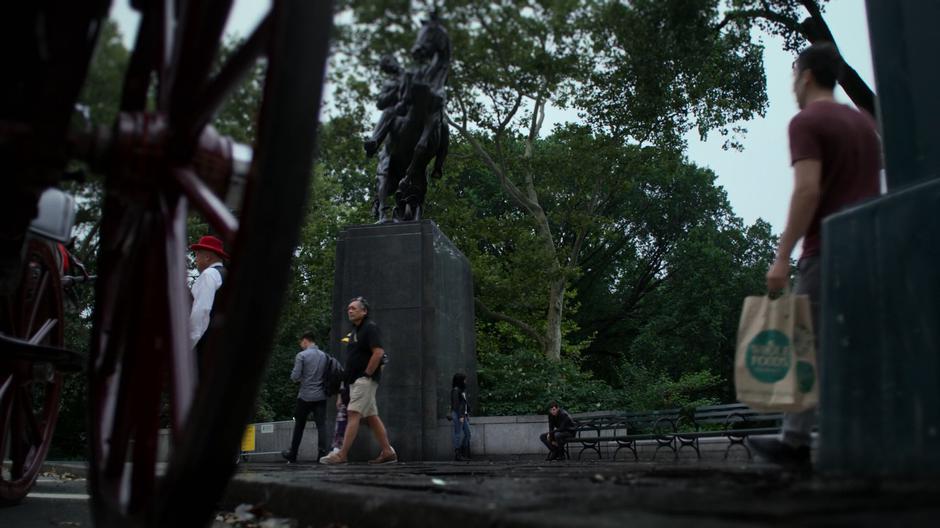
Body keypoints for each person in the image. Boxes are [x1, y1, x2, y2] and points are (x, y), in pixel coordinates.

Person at [750, 42, 881, 468]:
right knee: (858, 346)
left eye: (793, 75)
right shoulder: (865, 125)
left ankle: (794, 443)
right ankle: (867, 438)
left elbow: (807, 190)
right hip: (868, 249)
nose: (792, 84)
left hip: (826, 250)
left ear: (806, 76)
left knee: (805, 345)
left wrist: (782, 255)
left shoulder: (807, 121)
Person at [320, 296, 397, 465]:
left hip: (364, 381)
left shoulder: (370, 328)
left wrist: (367, 374)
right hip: (355, 381)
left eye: (354, 308)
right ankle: (387, 451)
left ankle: (342, 454)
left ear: (364, 311)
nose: (350, 310)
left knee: (353, 413)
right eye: (349, 308)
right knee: (372, 417)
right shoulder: (356, 331)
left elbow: (378, 352)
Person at [281, 332, 330, 463]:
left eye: (301, 343)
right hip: (321, 396)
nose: (301, 345)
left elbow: (294, 377)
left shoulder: (301, 355)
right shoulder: (324, 356)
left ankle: (293, 454)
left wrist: (303, 377)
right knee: (321, 425)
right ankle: (322, 454)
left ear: (305, 341)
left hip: (305, 396)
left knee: (299, 425)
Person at [189, 235, 228, 359]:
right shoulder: (225, 275)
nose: (195, 260)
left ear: (207, 257)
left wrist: (187, 344)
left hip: (203, 346)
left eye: (197, 255)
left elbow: (201, 311)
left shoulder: (209, 275)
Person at [449, 372, 471, 461]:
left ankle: (462, 452)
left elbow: (464, 404)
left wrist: (466, 414)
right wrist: (461, 416)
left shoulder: (461, 391)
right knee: (457, 434)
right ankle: (458, 454)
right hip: (458, 415)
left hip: (462, 415)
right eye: (464, 380)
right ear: (460, 380)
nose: (465, 381)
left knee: (468, 434)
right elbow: (456, 405)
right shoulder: (455, 390)